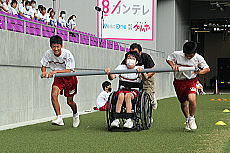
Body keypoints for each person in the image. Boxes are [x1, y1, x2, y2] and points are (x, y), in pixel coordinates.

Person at [166, 41, 210, 131]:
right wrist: (173, 65)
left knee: (192, 99)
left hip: (191, 81)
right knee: (183, 103)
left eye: (191, 55)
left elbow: (207, 69)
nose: (188, 57)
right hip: (179, 81)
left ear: (194, 53)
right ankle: (187, 119)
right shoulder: (177, 54)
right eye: (187, 55)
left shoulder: (198, 58)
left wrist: (199, 72)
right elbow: (168, 59)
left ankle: (192, 118)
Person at [40, 35, 80, 127]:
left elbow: (69, 70)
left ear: (61, 46)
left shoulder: (67, 54)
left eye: (58, 46)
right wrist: (44, 72)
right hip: (58, 78)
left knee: (69, 102)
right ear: (51, 46)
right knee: (53, 95)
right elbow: (43, 65)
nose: (56, 49)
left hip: (70, 77)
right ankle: (59, 118)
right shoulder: (48, 53)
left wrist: (55, 71)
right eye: (54, 47)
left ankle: (75, 114)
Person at [105, 52, 146, 128]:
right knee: (120, 95)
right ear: (126, 59)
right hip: (122, 89)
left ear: (136, 61)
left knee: (128, 96)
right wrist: (109, 73)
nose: (130, 60)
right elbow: (112, 77)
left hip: (134, 91)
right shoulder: (121, 67)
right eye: (129, 58)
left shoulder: (140, 68)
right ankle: (116, 119)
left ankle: (129, 120)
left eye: (133, 59)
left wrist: (142, 72)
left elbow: (145, 78)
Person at [121, 43, 157, 110]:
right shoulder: (129, 58)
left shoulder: (145, 57)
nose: (133, 54)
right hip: (134, 77)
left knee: (148, 92)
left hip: (147, 76)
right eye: (131, 52)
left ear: (140, 52)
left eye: (135, 52)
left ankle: (151, 102)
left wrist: (146, 76)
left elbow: (153, 69)